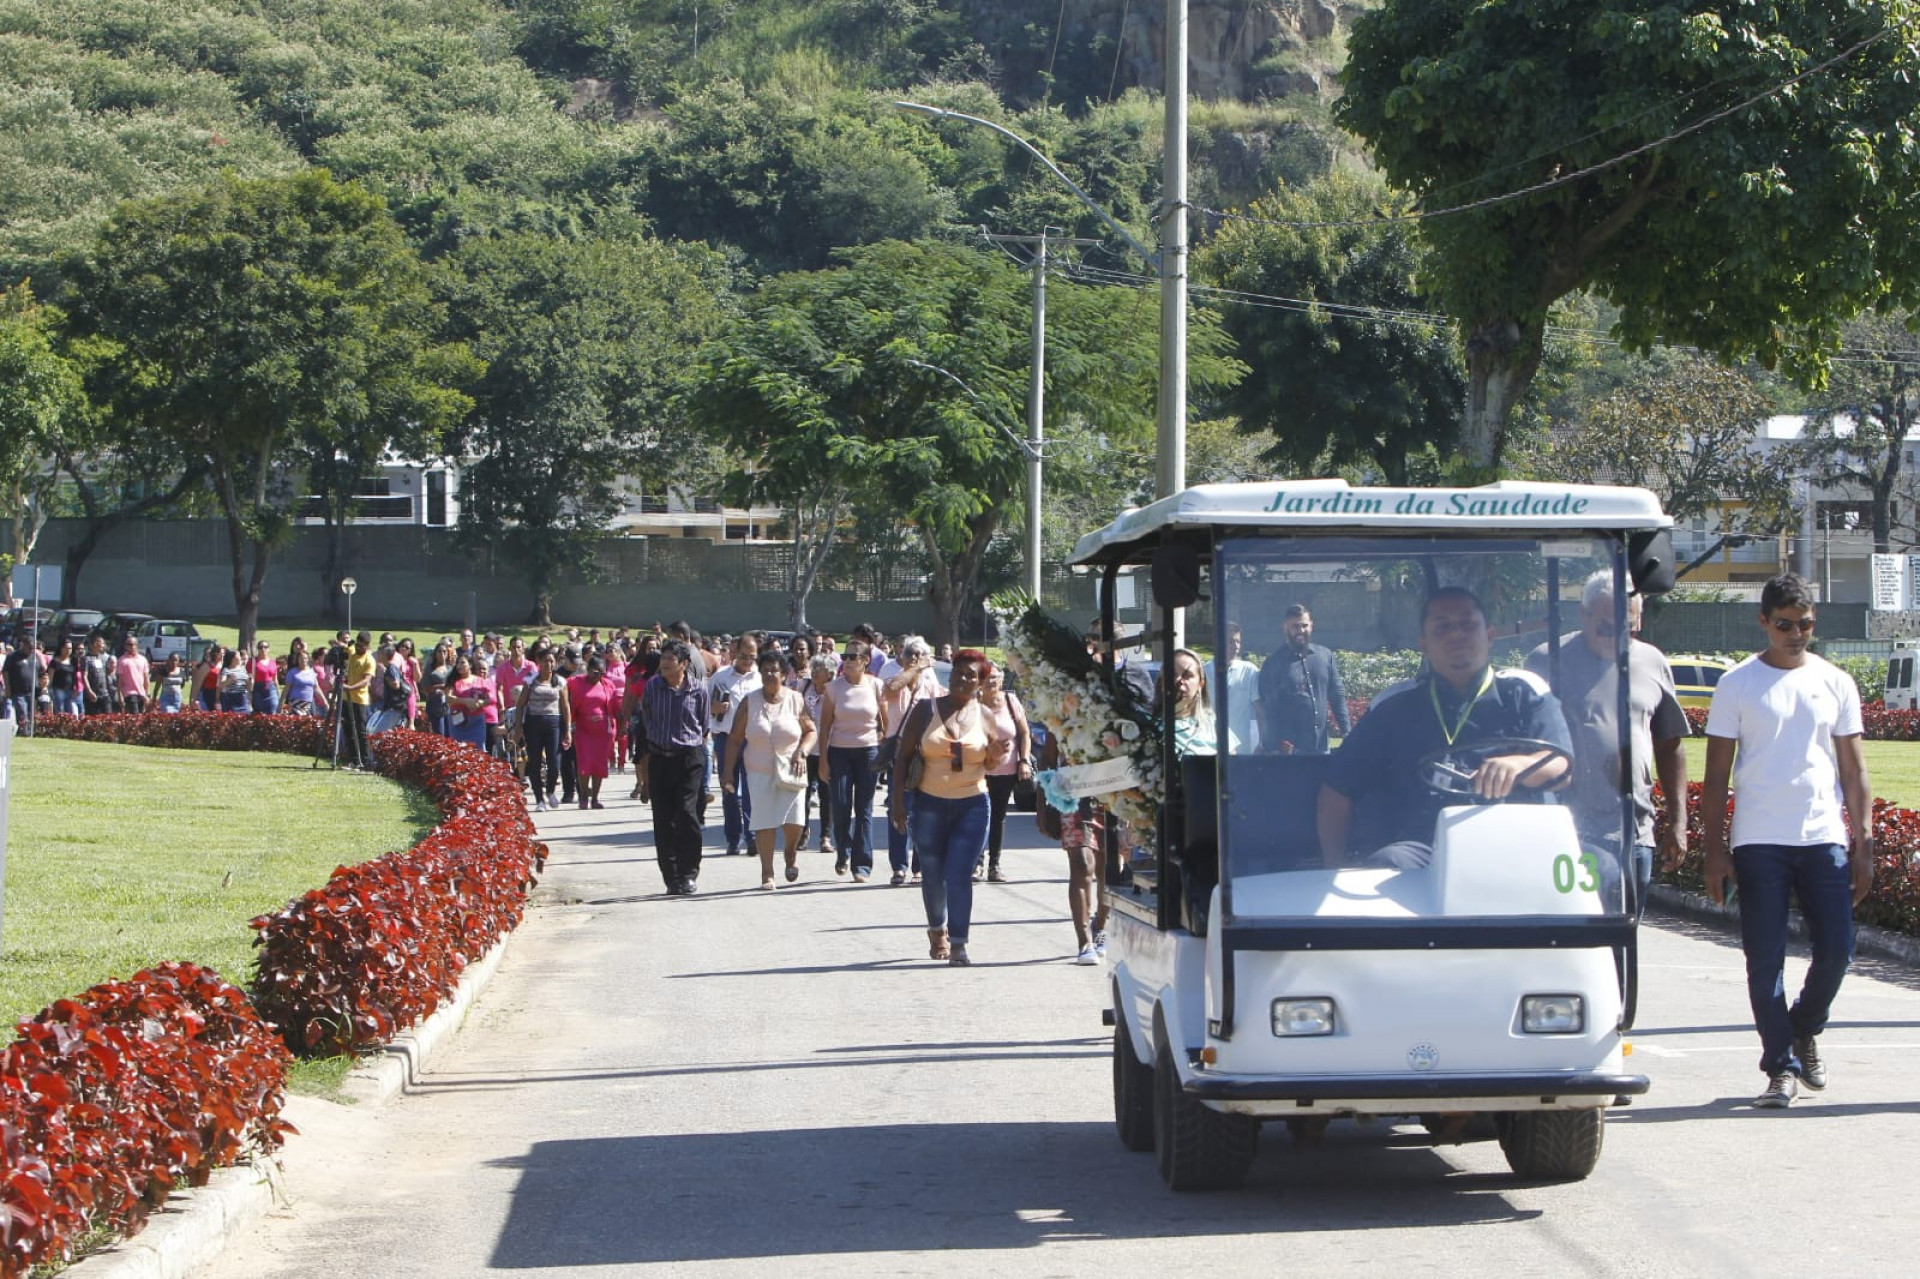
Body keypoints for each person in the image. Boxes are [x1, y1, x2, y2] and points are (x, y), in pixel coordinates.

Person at [1701, 572, 1873, 1109]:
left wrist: (1863, 842)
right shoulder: (1737, 684)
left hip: (1822, 836)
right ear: (1764, 622)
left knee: (1839, 950)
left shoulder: (1835, 681)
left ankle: (1804, 1028)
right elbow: (1716, 775)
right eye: (1784, 625)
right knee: (1764, 958)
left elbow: (1854, 769)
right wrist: (1714, 851)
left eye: (1805, 625)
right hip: (1759, 841)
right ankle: (1779, 1067)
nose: (1796, 634)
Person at [1316, 588, 1572, 868]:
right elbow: (1336, 790)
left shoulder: (1524, 692)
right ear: (1424, 644)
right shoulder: (1393, 707)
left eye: (1467, 624)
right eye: (1443, 627)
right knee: (1387, 863)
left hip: (1513, 842)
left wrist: (1520, 764)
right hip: (1425, 850)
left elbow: (1560, 767)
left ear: (1489, 635)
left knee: (1603, 867)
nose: (1456, 635)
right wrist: (1334, 866)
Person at [1526, 570, 1688, 908]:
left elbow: (1670, 744)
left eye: (1628, 629)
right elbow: (1527, 747)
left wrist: (1678, 822)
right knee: (1585, 935)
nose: (1617, 639)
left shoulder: (1652, 661)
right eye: (1606, 628)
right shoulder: (1548, 660)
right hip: (1573, 829)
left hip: (1635, 830)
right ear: (1584, 615)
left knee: (1626, 938)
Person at [890, 650, 1013, 967]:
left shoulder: (985, 716)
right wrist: (898, 803)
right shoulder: (924, 710)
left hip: (972, 805)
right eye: (959, 672)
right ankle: (937, 929)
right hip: (928, 803)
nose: (963, 679)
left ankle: (958, 943)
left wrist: (996, 754)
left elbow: (988, 762)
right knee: (932, 873)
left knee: (958, 874)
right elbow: (902, 758)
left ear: (981, 682)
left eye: (971, 675)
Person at [723, 651, 816, 889]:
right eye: (764, 670)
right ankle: (767, 873)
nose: (769, 674)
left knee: (794, 821)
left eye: (774, 670)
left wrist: (802, 751)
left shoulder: (795, 699)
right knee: (764, 821)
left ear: (784, 674)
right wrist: (727, 772)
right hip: (758, 769)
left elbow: (811, 731)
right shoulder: (749, 701)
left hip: (792, 767)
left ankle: (790, 853)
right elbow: (734, 739)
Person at [639, 639, 711, 895]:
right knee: (663, 818)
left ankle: (689, 872)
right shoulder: (653, 687)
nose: (665, 663)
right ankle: (671, 877)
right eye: (663, 658)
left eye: (671, 659)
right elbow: (646, 719)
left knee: (686, 813)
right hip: (660, 758)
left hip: (689, 759)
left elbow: (703, 726)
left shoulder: (699, 690)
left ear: (684, 664)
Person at [879, 636, 943, 885]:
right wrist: (916, 668)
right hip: (900, 753)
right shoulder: (895, 675)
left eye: (921, 654)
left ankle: (919, 865)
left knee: (925, 810)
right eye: (911, 654)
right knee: (899, 806)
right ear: (903, 657)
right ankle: (899, 866)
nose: (916, 658)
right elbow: (892, 688)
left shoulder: (931, 681)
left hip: (927, 752)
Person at [818, 639, 883, 882]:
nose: (846, 660)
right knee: (841, 804)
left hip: (868, 752)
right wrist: (823, 760)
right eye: (844, 656)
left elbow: (883, 722)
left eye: (852, 657)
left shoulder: (875, 686)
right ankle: (843, 851)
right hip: (839, 751)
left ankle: (862, 864)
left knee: (864, 809)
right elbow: (824, 727)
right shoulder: (833, 688)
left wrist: (883, 747)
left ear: (865, 661)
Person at [1258, 604, 1349, 754]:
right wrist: (1273, 747)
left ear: (1311, 625)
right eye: (1295, 626)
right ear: (1285, 628)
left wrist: (1346, 732)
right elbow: (1270, 710)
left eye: (1304, 625)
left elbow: (1337, 696)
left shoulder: (1325, 656)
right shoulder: (1274, 664)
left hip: (1321, 748)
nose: (1300, 631)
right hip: (1290, 752)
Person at [976, 661, 1033, 883]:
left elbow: (1024, 733)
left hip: (1007, 769)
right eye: (987, 677)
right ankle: (977, 863)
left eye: (995, 677)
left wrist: (1024, 760)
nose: (991, 681)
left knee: (999, 817)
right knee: (981, 816)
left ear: (1002, 680)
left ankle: (994, 865)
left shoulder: (1011, 701)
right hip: (980, 769)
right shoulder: (974, 703)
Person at [707, 635, 760, 854]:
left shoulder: (759, 678)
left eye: (752, 657)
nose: (748, 661)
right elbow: (705, 706)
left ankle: (752, 837)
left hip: (752, 740)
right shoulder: (720, 677)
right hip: (725, 739)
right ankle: (732, 838)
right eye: (744, 656)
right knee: (729, 788)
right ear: (734, 652)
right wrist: (715, 708)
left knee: (751, 790)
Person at [515, 649, 570, 811]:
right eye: (546, 661)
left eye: (552, 661)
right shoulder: (531, 680)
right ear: (539, 663)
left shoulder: (560, 681)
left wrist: (567, 730)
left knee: (554, 763)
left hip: (553, 723)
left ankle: (550, 790)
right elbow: (520, 705)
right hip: (534, 723)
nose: (549, 664)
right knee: (535, 762)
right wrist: (518, 727)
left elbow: (565, 707)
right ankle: (539, 798)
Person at [567, 654, 620, 809]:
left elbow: (615, 706)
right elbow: (561, 685)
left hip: (602, 731)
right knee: (584, 763)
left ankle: (595, 798)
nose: (598, 675)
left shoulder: (608, 685)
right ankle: (583, 796)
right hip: (583, 729)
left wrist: (621, 722)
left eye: (602, 672)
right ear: (588, 670)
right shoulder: (576, 682)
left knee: (599, 764)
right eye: (595, 671)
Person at [1204, 622, 1261, 752]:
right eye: (1230, 641)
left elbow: (1260, 710)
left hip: (1242, 751)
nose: (1235, 646)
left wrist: (1262, 743)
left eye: (1238, 642)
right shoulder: (1203, 673)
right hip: (1211, 748)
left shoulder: (1249, 671)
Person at [802, 653, 838, 861]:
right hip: (806, 750)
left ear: (830, 674)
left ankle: (825, 836)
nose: (815, 673)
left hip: (829, 749)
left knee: (827, 797)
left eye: (820, 669)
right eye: (813, 668)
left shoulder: (835, 692)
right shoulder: (803, 687)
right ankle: (803, 831)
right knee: (804, 795)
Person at [1166, 648, 1233, 755]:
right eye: (1171, 675)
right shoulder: (1147, 728)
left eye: (1187, 675)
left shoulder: (1215, 725)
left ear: (1200, 684)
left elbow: (1232, 765)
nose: (1178, 681)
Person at [283, 649, 325, 718]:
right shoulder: (292, 672)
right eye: (301, 658)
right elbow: (286, 689)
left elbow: (317, 688)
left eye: (305, 658)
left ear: (308, 659)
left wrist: (325, 703)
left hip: (309, 703)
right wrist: (281, 703)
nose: (303, 660)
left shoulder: (311, 672)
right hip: (296, 703)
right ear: (297, 660)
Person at [83, 635, 117, 716]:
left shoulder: (104, 658)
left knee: (108, 717)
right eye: (102, 643)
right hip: (92, 695)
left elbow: (108, 672)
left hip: (105, 694)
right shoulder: (86, 659)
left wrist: (112, 668)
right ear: (95, 643)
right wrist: (89, 691)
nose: (103, 645)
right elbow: (84, 676)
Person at [116, 636, 151, 714]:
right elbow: (119, 680)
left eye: (132, 644)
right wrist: (120, 695)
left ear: (136, 645)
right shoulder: (122, 661)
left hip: (141, 693)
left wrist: (147, 694)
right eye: (128, 644)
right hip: (129, 693)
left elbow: (146, 678)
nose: (131, 646)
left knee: (141, 716)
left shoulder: (143, 659)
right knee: (135, 715)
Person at [249, 640, 280, 715]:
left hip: (271, 690)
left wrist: (278, 693)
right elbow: (249, 679)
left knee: (273, 710)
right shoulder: (252, 662)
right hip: (258, 690)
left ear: (268, 649)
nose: (263, 649)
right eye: (260, 647)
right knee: (259, 714)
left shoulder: (273, 662)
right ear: (258, 649)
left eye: (265, 647)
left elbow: (275, 679)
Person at [217, 649, 251, 713]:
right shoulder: (226, 670)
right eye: (238, 655)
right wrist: (229, 680)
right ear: (232, 658)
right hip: (231, 699)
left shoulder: (243, 669)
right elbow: (221, 684)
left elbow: (249, 687)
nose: (240, 657)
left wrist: (249, 681)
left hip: (242, 698)